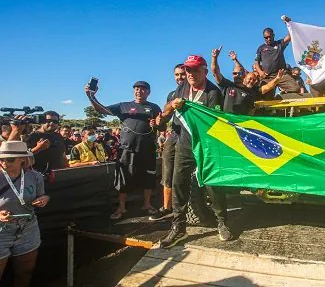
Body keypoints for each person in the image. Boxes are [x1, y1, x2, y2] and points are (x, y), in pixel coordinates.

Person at [158, 55, 232, 247]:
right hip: (184, 142)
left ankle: (222, 221)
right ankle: (178, 227)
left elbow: (213, 122)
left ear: (205, 71)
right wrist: (172, 106)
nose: (190, 74)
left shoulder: (213, 92)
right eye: (188, 70)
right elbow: (166, 110)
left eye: (195, 70)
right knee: (178, 182)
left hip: (206, 145)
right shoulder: (182, 87)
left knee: (212, 184)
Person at [85, 81, 163, 219]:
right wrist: (91, 96)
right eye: (137, 89)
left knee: (148, 178)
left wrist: (156, 124)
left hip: (147, 150)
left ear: (149, 92)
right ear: (134, 91)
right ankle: (121, 208)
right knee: (123, 178)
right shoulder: (123, 106)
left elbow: (162, 126)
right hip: (126, 150)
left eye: (143, 89)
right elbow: (101, 110)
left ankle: (147, 204)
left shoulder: (154, 107)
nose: (139, 91)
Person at [0, 141, 49, 287]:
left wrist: (44, 199)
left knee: (25, 271)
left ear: (22, 159)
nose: (4, 163)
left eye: (10, 159)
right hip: (2, 231)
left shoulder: (35, 176)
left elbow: (43, 195)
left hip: (28, 228)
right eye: (1, 159)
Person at [149, 64, 186, 221]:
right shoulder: (172, 94)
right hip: (175, 134)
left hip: (193, 136)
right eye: (177, 75)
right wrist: (158, 122)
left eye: (182, 74)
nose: (179, 78)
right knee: (167, 168)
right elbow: (165, 121)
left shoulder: (199, 90)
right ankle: (166, 207)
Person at [211, 48, 285, 114]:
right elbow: (215, 72)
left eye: (254, 80)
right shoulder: (227, 85)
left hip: (242, 124)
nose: (237, 75)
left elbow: (267, 87)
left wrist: (277, 78)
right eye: (234, 73)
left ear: (244, 76)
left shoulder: (253, 91)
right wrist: (214, 58)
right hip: (227, 122)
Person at [253, 16, 300, 97]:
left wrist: (289, 24)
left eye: (270, 36)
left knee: (295, 88)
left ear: (273, 35)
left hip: (281, 75)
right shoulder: (261, 48)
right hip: (268, 76)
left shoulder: (279, 44)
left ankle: (283, 95)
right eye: (266, 37)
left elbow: (290, 36)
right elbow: (256, 62)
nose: (268, 39)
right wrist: (260, 72)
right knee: (262, 93)